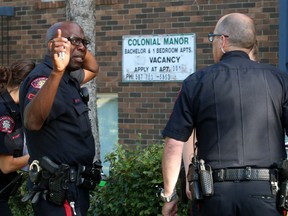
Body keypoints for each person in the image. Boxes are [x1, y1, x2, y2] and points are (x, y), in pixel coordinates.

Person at [161, 12, 288, 216]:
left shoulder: (196, 82)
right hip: (267, 194)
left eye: (212, 38)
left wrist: (169, 195)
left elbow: (174, 143)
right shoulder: (280, 81)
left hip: (213, 196)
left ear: (222, 41)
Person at [19, 21, 100, 216]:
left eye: (84, 42)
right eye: (74, 41)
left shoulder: (69, 77)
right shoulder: (44, 78)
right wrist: (57, 70)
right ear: (52, 46)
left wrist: (77, 44)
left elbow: (93, 68)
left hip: (75, 189)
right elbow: (32, 122)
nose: (81, 47)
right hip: (58, 192)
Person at [0, 60, 34, 216]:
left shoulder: (15, 109)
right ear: (26, 85)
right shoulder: (4, 114)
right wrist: (39, 155)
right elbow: (6, 166)